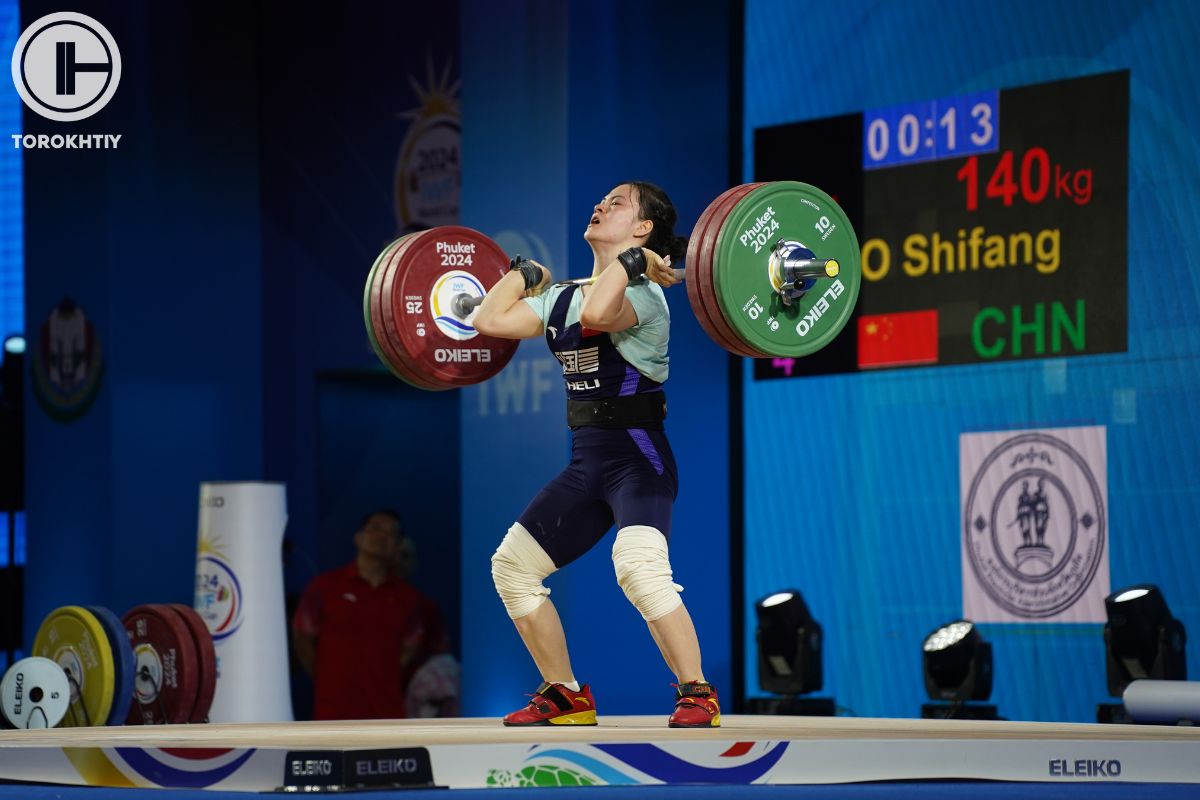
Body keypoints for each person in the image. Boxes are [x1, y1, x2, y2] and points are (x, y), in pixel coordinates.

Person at [472, 181, 720, 728]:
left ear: (643, 229)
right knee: (511, 568)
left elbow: (601, 313)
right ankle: (565, 694)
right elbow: (488, 321)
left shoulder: (645, 296)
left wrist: (631, 266)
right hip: (588, 464)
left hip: (640, 459)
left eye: (619, 202)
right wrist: (522, 275)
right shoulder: (563, 295)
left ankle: (697, 692)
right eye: (602, 199)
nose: (601, 204)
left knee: (637, 569)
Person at [291, 510, 450, 720]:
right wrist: (326, 678)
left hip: (386, 713)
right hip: (333, 712)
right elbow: (302, 637)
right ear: (358, 537)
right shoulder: (324, 587)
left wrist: (379, 678)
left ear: (397, 544)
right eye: (375, 528)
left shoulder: (410, 599)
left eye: (391, 533)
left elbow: (408, 652)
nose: (382, 536)